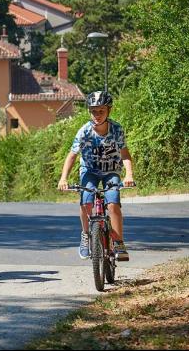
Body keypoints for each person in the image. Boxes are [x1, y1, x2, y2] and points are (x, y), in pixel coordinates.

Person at [58, 91, 135, 261]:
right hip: (89, 171)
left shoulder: (116, 129)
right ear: (89, 112)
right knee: (86, 201)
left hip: (111, 171)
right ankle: (86, 235)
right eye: (93, 111)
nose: (97, 115)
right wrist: (63, 178)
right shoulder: (84, 132)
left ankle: (119, 242)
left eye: (101, 111)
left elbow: (125, 154)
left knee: (113, 203)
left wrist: (128, 175)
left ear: (109, 111)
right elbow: (71, 156)